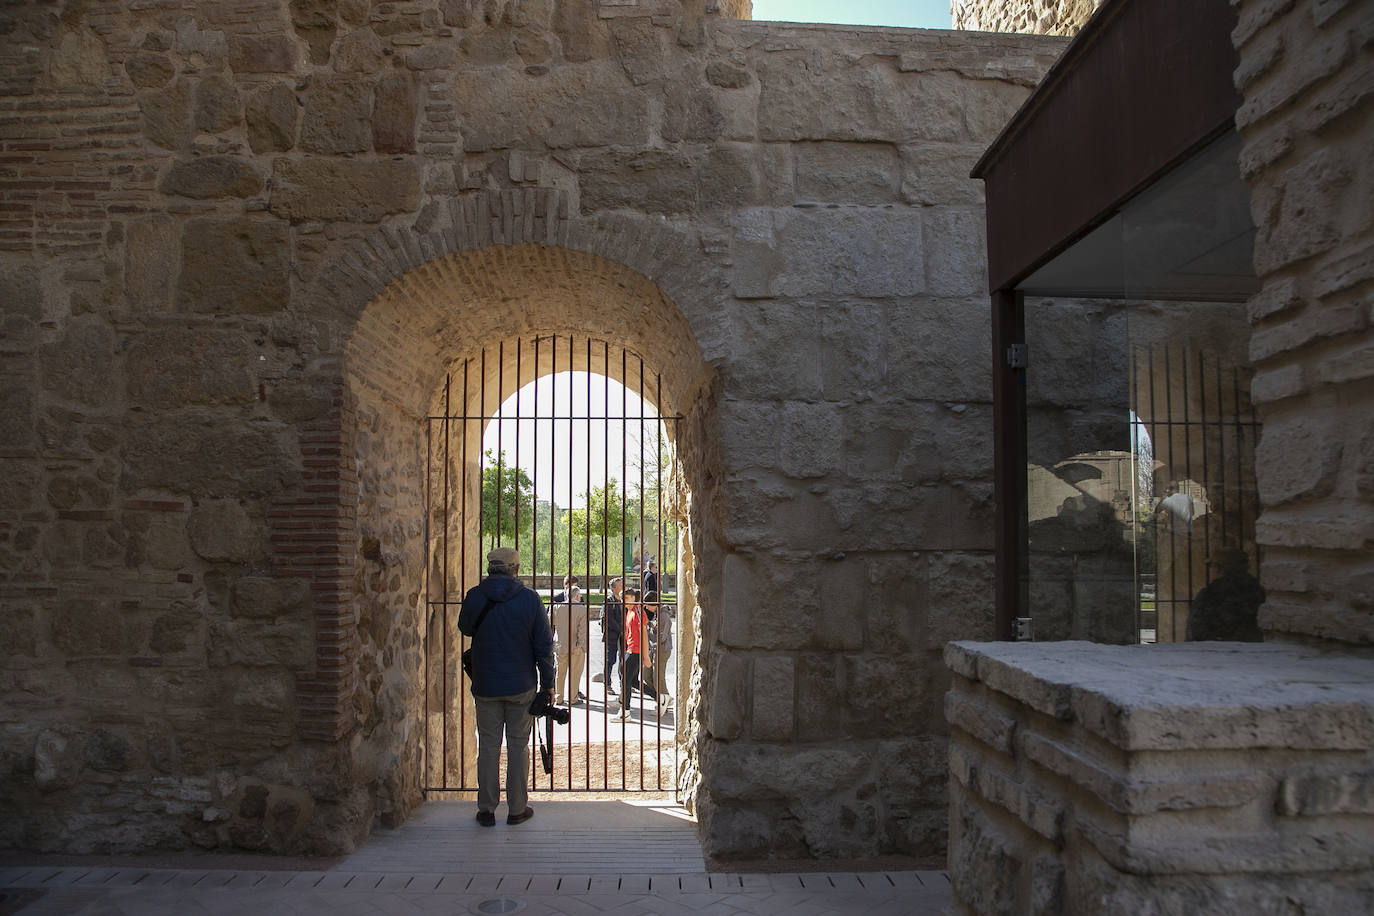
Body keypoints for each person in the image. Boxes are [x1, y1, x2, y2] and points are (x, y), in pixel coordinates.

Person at [458, 547, 554, 828]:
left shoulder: (476, 596)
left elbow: (465, 627)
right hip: (520, 684)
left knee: (488, 746)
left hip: (486, 682)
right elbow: (543, 646)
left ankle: (486, 809)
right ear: (515, 569)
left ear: (490, 569)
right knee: (518, 746)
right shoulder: (529, 599)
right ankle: (516, 808)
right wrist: (547, 684)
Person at [616, 586, 659, 719]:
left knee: (625, 680)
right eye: (623, 598)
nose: (625, 600)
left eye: (627, 598)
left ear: (634, 598)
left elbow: (644, 635)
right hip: (631, 649)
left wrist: (646, 656)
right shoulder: (630, 611)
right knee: (633, 682)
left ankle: (625, 712)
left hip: (635, 651)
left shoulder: (638, 611)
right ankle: (660, 697)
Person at [550, 585, 588, 706]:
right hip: (575, 646)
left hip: (560, 644)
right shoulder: (581, 609)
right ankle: (572, 698)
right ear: (577, 596)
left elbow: (549, 623)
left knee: (560, 673)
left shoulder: (556, 607)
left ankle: (558, 697)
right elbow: (582, 630)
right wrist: (580, 645)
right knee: (575, 673)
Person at [594, 577, 625, 695]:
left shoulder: (623, 600)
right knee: (610, 660)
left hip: (623, 635)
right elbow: (609, 620)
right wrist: (621, 629)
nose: (622, 587)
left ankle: (624, 684)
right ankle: (607, 684)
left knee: (624, 660)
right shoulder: (609, 601)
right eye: (620, 585)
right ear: (613, 588)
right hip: (612, 635)